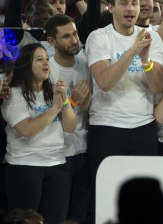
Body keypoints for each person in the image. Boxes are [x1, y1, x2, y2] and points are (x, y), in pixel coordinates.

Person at [85, 0, 163, 216]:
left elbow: (157, 86)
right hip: (107, 128)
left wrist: (146, 60)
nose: (130, 8)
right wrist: (132, 52)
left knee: (146, 201)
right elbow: (105, 82)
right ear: (110, 7)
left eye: (135, 3)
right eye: (123, 3)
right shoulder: (98, 38)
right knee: (105, 197)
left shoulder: (153, 40)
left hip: (143, 128)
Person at [1, 43, 76, 222]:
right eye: (39, 59)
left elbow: (70, 127)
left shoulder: (53, 92)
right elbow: (27, 130)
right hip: (25, 166)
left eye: (47, 59)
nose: (46, 64)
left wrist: (65, 101)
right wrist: (54, 108)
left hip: (57, 164)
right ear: (26, 64)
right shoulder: (14, 95)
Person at [45, 15, 93, 222]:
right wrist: (73, 102)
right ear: (52, 42)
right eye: (66, 36)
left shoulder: (86, 63)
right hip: (58, 154)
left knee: (79, 216)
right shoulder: (45, 70)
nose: (74, 40)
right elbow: (46, 116)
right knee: (58, 216)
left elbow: (91, 106)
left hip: (84, 151)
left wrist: (85, 102)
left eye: (74, 34)